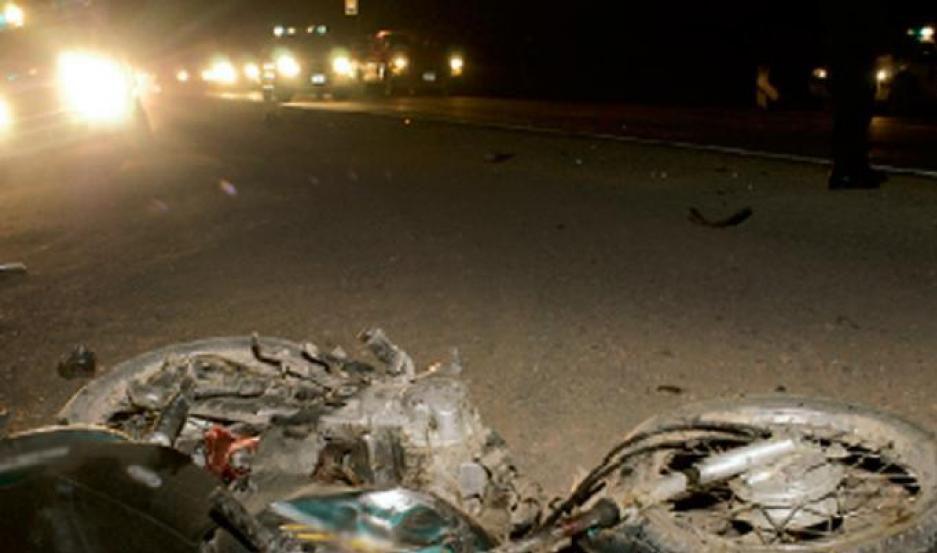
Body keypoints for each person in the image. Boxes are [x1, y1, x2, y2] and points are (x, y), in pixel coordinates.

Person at [827, 6, 889, 190]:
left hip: (847, 63)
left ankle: (852, 168)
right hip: (853, 63)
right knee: (854, 119)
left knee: (851, 119)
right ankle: (848, 171)